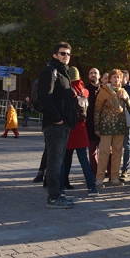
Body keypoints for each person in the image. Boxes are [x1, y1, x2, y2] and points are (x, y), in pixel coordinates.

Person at [38, 42, 76, 209]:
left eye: (68, 54)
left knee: (59, 160)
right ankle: (53, 197)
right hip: (55, 124)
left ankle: (58, 192)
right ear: (55, 55)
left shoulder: (63, 72)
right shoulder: (50, 71)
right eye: (62, 53)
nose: (66, 56)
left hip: (64, 123)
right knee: (54, 160)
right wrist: (57, 118)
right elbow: (45, 97)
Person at [61, 67, 98, 197]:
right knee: (83, 160)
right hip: (82, 128)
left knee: (65, 159)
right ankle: (91, 187)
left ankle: (61, 187)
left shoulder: (66, 90)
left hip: (69, 128)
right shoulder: (85, 91)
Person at [94, 69, 130, 187]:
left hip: (120, 127)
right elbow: (97, 110)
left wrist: (126, 100)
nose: (117, 79)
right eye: (114, 77)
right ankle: (99, 179)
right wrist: (97, 127)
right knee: (104, 152)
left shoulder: (123, 91)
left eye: (119, 77)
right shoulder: (104, 91)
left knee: (117, 152)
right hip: (106, 126)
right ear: (110, 79)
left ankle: (114, 177)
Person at [85, 67, 102, 176]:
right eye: (91, 73)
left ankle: (107, 172)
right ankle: (94, 172)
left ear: (99, 76)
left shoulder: (105, 89)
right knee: (92, 151)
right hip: (90, 124)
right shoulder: (85, 90)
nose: (93, 75)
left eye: (95, 73)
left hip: (103, 124)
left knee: (106, 151)